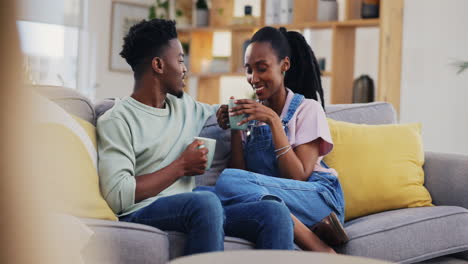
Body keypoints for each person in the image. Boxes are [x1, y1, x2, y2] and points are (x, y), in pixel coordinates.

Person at [97, 19, 295, 256]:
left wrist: (227, 114)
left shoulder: (184, 106)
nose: (185, 68)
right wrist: (180, 166)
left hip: (193, 208)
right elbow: (118, 196)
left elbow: (217, 113)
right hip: (142, 212)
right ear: (159, 65)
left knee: (274, 212)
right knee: (205, 201)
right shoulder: (117, 120)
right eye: (180, 60)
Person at [213, 26, 349, 253]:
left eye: (261, 68)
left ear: (284, 65)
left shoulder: (307, 109)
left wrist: (274, 122)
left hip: (319, 200)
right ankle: (288, 225)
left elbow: (299, 176)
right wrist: (236, 128)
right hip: (279, 204)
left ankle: (318, 246)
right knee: (205, 196)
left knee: (227, 181)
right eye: (248, 70)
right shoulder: (254, 117)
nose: (253, 78)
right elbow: (243, 177)